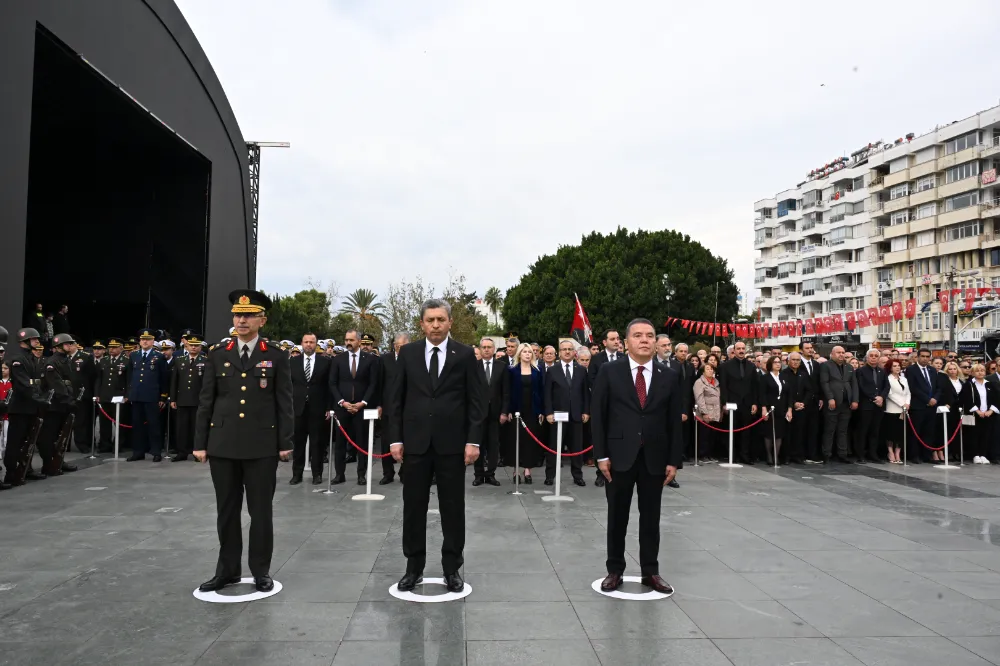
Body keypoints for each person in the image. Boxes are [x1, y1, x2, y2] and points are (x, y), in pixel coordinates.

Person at [195, 289, 293, 594]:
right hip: (223, 443)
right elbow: (206, 400)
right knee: (226, 510)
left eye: (249, 315)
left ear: (261, 319)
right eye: (238, 315)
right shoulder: (218, 353)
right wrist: (200, 442)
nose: (242, 320)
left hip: (262, 445)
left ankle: (260, 570)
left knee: (260, 511)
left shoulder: (275, 355)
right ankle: (227, 570)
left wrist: (285, 441)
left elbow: (284, 402)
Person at [385, 299, 486, 593]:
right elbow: (396, 400)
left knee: (453, 508)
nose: (436, 325)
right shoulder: (408, 353)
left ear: (450, 322)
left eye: (441, 319)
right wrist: (395, 438)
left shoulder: (466, 355)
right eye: (430, 320)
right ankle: (413, 567)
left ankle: (452, 568)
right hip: (415, 444)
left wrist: (473, 440)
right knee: (413, 507)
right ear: (422, 324)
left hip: (452, 445)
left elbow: (477, 402)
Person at [591, 318, 682, 594]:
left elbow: (674, 421)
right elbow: (599, 416)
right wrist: (601, 456)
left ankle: (650, 571)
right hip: (618, 456)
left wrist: (673, 460)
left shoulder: (669, 375)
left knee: (651, 518)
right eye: (638, 335)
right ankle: (614, 569)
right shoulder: (609, 371)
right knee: (617, 516)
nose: (644, 340)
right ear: (626, 342)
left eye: (650, 335)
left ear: (656, 342)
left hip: (655, 456)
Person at [329, 329, 379, 485]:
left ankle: (361, 475)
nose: (348, 343)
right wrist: (342, 402)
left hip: (361, 408)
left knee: (362, 442)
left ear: (358, 341)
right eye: (346, 340)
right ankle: (339, 474)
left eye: (351, 340)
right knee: (340, 444)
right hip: (342, 407)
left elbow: (373, 384)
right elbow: (332, 383)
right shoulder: (338, 359)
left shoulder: (370, 360)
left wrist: (363, 403)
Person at [3, 328, 47, 486]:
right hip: (20, 408)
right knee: (15, 442)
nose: (37, 341)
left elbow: (36, 382)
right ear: (24, 342)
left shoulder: (31, 358)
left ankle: (25, 469)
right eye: (34, 339)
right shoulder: (18, 359)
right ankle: (11, 472)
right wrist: (38, 398)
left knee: (28, 441)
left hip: (31, 407)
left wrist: (39, 398)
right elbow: (23, 384)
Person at [543, 339, 589, 487]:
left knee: (577, 448)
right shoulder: (552, 370)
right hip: (557, 416)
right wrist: (548, 412)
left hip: (576, 415)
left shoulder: (581, 370)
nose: (567, 352)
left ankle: (577, 476)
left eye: (570, 349)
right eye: (564, 349)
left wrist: (586, 411)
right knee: (554, 448)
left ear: (574, 352)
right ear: (559, 352)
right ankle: (550, 476)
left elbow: (585, 394)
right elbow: (547, 394)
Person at [289, 332, 332, 484]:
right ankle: (296, 474)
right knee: (298, 444)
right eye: (306, 342)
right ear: (301, 343)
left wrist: (328, 407)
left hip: (318, 409)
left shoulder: (325, 362)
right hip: (298, 409)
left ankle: (317, 474)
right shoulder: (293, 362)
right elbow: (288, 386)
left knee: (317, 443)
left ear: (316, 344)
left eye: (312, 342)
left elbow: (329, 386)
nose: (308, 345)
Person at [36, 333, 80, 475]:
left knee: (61, 437)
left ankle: (58, 461)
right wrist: (68, 400)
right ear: (59, 346)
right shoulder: (52, 362)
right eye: (67, 344)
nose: (70, 346)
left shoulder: (65, 360)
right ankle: (48, 464)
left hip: (63, 404)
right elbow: (56, 385)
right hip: (54, 405)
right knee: (49, 437)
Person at [126, 328, 168, 462]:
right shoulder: (134, 355)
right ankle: (138, 451)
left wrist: (163, 396)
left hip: (152, 396)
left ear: (153, 341)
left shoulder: (159, 356)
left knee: (154, 425)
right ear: (139, 341)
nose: (145, 342)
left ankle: (156, 452)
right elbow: (130, 375)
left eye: (148, 339)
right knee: (137, 425)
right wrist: (129, 393)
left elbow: (164, 378)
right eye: (143, 339)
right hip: (137, 395)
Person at [506, 342, 545, 483]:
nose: (527, 354)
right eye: (525, 352)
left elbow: (541, 391)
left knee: (530, 440)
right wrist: (509, 410)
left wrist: (541, 410)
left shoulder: (538, 370)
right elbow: (508, 392)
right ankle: (516, 471)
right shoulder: (512, 370)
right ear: (519, 354)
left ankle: (527, 470)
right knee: (516, 440)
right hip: (516, 410)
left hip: (532, 410)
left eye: (530, 352)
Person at [474, 337, 509, 487]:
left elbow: (506, 392)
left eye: (489, 347)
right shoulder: (473, 366)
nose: (487, 349)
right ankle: (478, 474)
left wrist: (504, 412)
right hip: (477, 414)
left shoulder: (502, 366)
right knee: (478, 445)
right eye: (484, 347)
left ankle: (491, 474)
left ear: (494, 350)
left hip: (495, 414)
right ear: (480, 349)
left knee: (493, 445)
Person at [718, 341, 759, 465]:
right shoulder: (725, 366)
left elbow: (754, 387)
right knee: (732, 429)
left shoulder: (751, 366)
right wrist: (724, 403)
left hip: (747, 403)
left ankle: (744, 455)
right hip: (732, 404)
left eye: (743, 348)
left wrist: (754, 403)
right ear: (734, 351)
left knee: (746, 431)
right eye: (738, 348)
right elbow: (723, 386)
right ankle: (732, 455)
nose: (741, 350)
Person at [377, 332, 410, 484]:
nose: (400, 348)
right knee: (386, 441)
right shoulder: (384, 360)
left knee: (407, 441)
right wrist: (379, 404)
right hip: (388, 407)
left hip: (408, 408)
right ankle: (387, 473)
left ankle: (405, 472)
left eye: (403, 346)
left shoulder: (414, 359)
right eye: (398, 346)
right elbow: (379, 383)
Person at [168, 334, 207, 462]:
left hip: (199, 400)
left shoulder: (206, 360)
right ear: (187, 345)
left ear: (201, 347)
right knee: (181, 428)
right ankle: (182, 452)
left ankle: (197, 451)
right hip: (182, 399)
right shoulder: (180, 360)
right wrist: (173, 398)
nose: (194, 348)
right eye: (191, 345)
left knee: (197, 427)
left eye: (196, 345)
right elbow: (174, 381)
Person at [819, 346, 858, 464]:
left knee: (843, 430)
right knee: (829, 429)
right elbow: (824, 383)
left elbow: (854, 385)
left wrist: (855, 400)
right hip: (833, 403)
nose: (841, 355)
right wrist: (830, 398)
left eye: (843, 352)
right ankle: (827, 454)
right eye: (838, 353)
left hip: (846, 403)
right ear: (832, 354)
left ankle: (842, 454)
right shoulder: (826, 366)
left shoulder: (849, 366)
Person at [904, 349, 939, 464]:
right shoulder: (911, 370)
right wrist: (927, 399)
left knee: (929, 431)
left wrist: (935, 398)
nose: (925, 358)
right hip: (918, 405)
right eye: (923, 356)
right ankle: (914, 455)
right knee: (916, 432)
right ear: (918, 357)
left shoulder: (933, 370)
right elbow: (913, 388)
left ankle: (927, 455)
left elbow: (938, 387)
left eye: (927, 356)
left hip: (932, 406)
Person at [856, 348, 889, 463]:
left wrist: (882, 397)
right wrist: (874, 397)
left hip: (879, 406)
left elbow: (886, 386)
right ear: (867, 357)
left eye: (876, 356)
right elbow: (861, 386)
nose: (874, 358)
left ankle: (873, 454)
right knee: (863, 431)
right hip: (866, 405)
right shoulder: (861, 371)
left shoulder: (882, 371)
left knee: (875, 431)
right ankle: (861, 455)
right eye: (871, 356)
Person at [961, 363, 999, 464]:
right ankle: (975, 454)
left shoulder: (990, 384)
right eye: (977, 370)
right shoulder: (969, 384)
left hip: (988, 414)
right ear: (973, 373)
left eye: (982, 370)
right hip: (975, 414)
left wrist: (990, 411)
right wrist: (977, 411)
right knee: (974, 435)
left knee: (986, 435)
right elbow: (966, 399)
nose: (980, 372)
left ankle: (983, 454)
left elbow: (996, 399)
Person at [759, 355, 790, 466]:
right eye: (775, 362)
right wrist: (763, 408)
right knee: (769, 433)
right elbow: (762, 394)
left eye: (779, 362)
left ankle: (776, 455)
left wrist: (789, 409)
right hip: (770, 408)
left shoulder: (784, 377)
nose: (778, 364)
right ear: (770, 364)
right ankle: (769, 455)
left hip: (782, 408)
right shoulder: (765, 378)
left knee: (780, 433)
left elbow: (788, 394)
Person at [780, 352, 810, 464]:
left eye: (798, 360)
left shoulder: (803, 374)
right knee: (787, 433)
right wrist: (793, 403)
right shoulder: (783, 374)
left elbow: (809, 390)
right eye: (793, 359)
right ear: (788, 361)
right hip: (788, 407)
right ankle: (786, 456)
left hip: (801, 408)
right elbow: (783, 392)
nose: (796, 362)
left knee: (799, 432)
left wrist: (803, 403)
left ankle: (797, 455)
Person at [692, 361, 721, 462]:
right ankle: (702, 455)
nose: (710, 371)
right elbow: (699, 398)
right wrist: (704, 412)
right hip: (706, 412)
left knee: (713, 436)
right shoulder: (699, 382)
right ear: (703, 372)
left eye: (711, 369)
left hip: (716, 413)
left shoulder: (716, 382)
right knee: (704, 435)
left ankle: (710, 454)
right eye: (708, 369)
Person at [935, 361, 964, 463]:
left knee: (955, 432)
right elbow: (943, 394)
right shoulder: (944, 381)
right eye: (950, 369)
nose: (952, 371)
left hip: (958, 410)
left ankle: (954, 452)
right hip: (947, 409)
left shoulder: (961, 381)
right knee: (944, 431)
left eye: (954, 369)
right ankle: (941, 451)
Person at [884, 359, 910, 464]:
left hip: (904, 410)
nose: (897, 368)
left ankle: (898, 453)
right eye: (894, 366)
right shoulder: (888, 379)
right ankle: (890, 452)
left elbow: (908, 393)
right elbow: (890, 394)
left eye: (898, 366)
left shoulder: (904, 379)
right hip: (891, 409)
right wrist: (902, 403)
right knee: (891, 432)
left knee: (901, 433)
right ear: (890, 368)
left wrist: (907, 404)